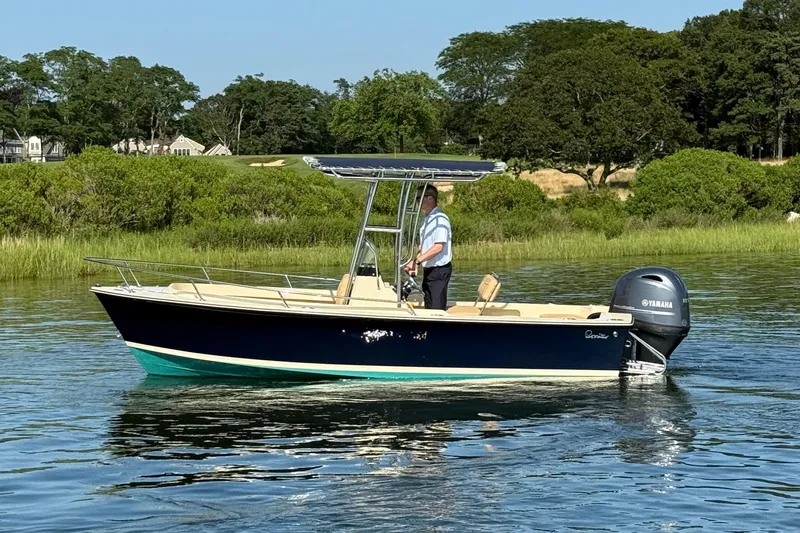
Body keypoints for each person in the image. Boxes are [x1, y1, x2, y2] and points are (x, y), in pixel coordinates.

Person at [404, 184, 452, 310]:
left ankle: (438, 329)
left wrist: (417, 261)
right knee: (429, 305)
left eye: (418, 198)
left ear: (430, 199)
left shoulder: (440, 219)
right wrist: (415, 262)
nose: (416, 202)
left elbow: (438, 247)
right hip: (429, 271)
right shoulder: (427, 219)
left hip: (439, 271)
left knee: (436, 309)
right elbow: (424, 246)